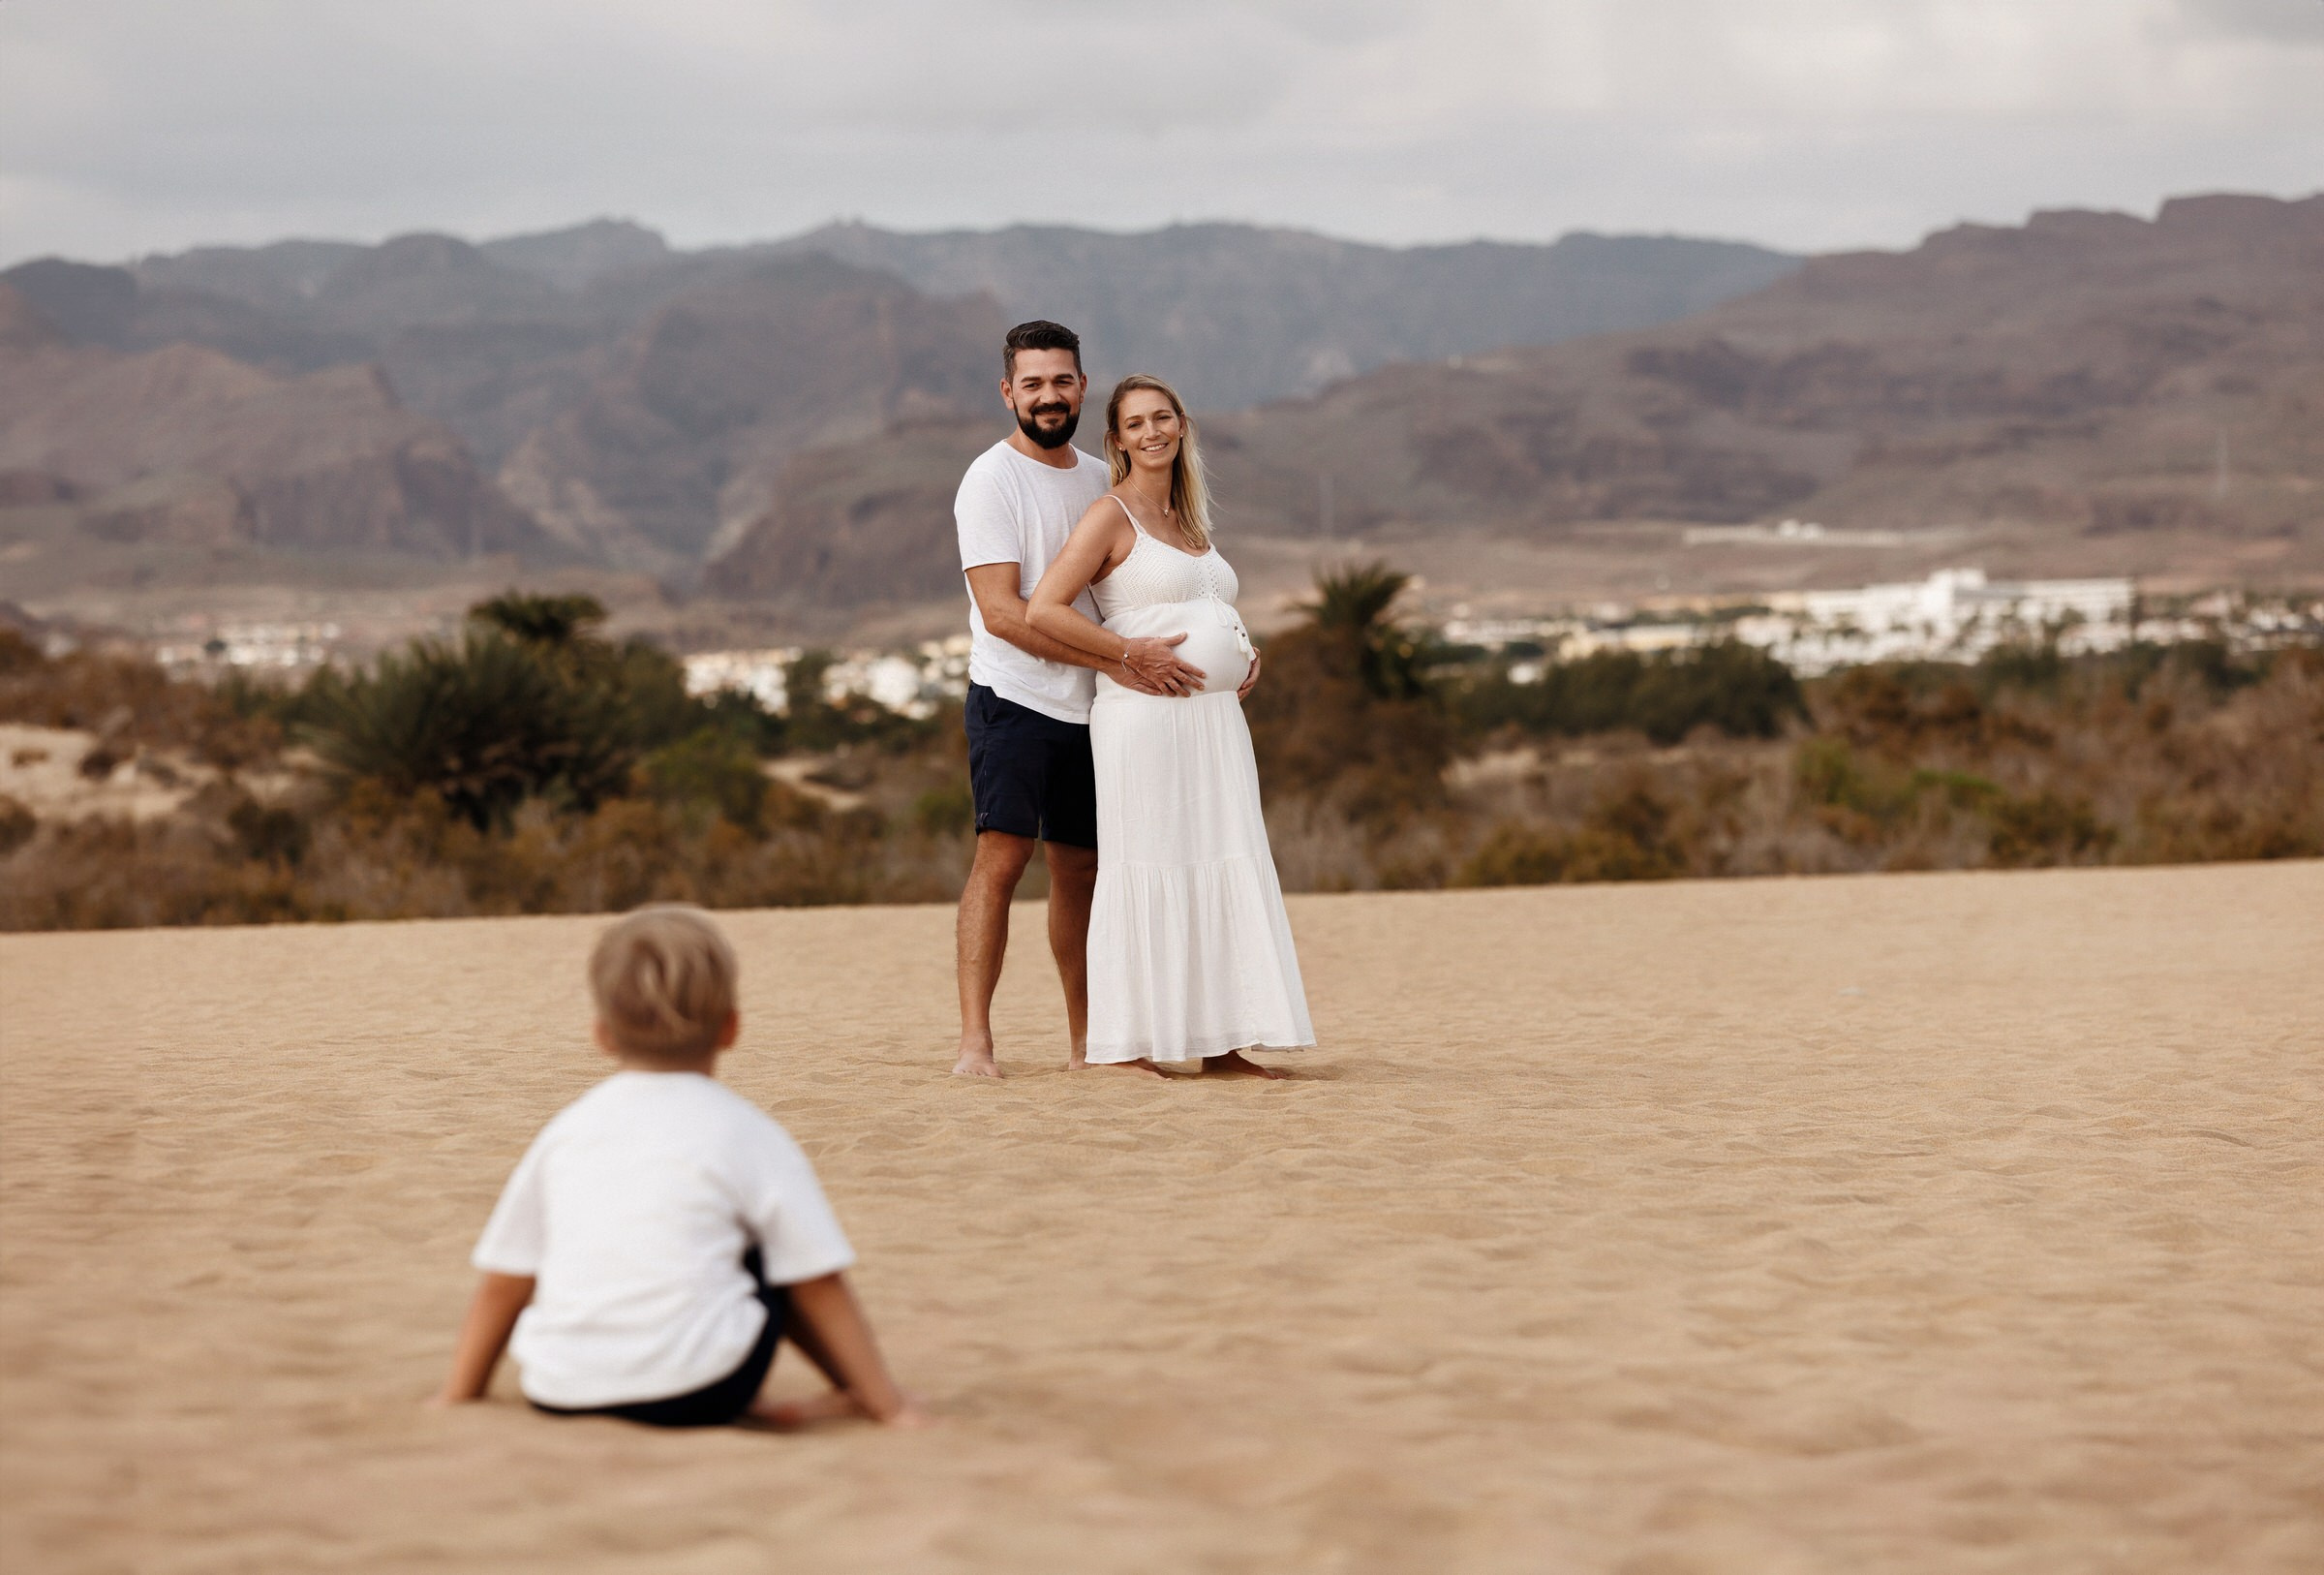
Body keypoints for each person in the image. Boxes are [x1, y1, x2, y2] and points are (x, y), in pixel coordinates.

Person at [431, 905, 925, 1429]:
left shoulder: (565, 1132)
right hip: (702, 1392)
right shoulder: (747, 1131)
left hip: (559, 1389)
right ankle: (858, 1393)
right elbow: (817, 1280)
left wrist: (457, 1396)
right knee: (774, 1251)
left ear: (601, 1034)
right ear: (731, 1029)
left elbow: (506, 1280)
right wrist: (891, 1408)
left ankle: (832, 1393)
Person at [1025, 375, 1312, 1076]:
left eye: (1163, 417)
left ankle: (1221, 1044)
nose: (1151, 431)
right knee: (1147, 866)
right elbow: (1043, 610)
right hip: (1145, 721)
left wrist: (1241, 648)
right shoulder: (1109, 515)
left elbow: (1204, 605)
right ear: (1117, 440)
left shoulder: (1191, 524)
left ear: (1181, 426)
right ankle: (1127, 1049)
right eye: (1135, 423)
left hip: (1214, 724)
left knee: (1215, 861)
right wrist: (1126, 654)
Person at [951, 321, 1206, 1078]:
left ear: (1082, 386)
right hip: (1015, 696)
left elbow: (1148, 583)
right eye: (1032, 383)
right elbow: (1005, 612)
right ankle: (976, 1044)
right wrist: (1121, 658)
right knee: (1001, 860)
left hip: (1097, 707)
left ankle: (1088, 1045)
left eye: (1062, 380)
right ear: (1008, 392)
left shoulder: (1104, 479)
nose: (1049, 395)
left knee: (1082, 872)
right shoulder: (989, 480)